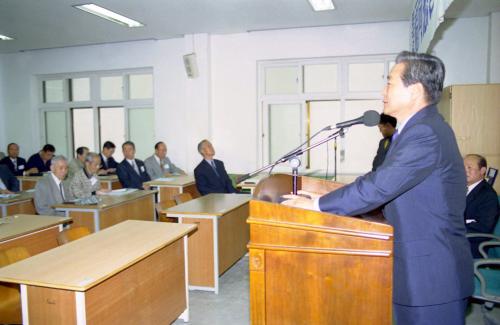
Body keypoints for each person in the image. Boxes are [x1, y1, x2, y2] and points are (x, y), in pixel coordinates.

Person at [282, 51, 473, 324]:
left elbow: (380, 186)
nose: (383, 91)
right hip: (419, 268)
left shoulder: (425, 133)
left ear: (415, 90)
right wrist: (326, 195)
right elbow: (382, 179)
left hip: (432, 275)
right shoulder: (414, 129)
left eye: (390, 83)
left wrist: (317, 206)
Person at [463, 154, 499, 258]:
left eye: (469, 167)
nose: (465, 171)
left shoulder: (488, 195)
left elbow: (483, 228)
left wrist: (453, 229)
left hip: (471, 245)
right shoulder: (460, 189)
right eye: (463, 167)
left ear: (482, 170)